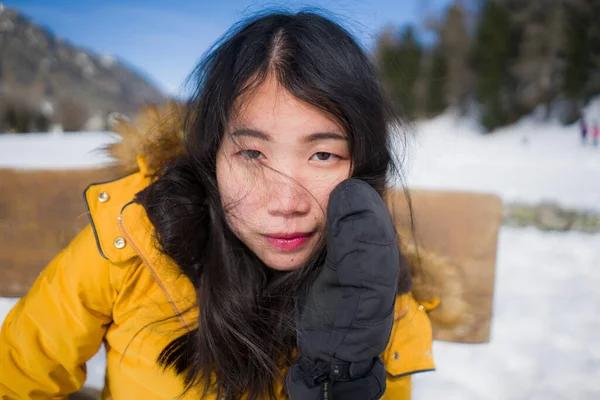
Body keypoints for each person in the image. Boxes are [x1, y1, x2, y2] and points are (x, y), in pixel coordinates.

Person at [0, 11, 447, 399]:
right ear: (211, 157)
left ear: (362, 166)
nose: (285, 203)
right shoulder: (132, 239)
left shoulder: (375, 290)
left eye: (323, 154)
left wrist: (341, 383)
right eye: (252, 154)